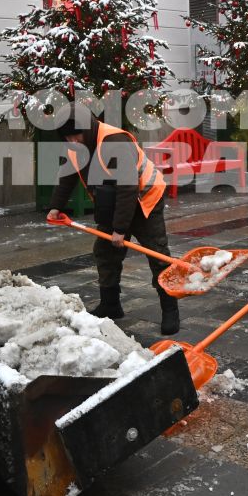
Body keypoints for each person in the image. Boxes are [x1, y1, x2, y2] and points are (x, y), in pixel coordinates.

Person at [46, 112, 179, 336]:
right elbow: (67, 174)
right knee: (105, 252)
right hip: (110, 201)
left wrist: (120, 230)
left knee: (156, 252)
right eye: (67, 138)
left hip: (144, 198)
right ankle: (111, 304)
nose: (73, 141)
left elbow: (128, 188)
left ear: (86, 128)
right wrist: (55, 206)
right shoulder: (74, 145)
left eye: (76, 135)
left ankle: (170, 309)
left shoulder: (114, 142)